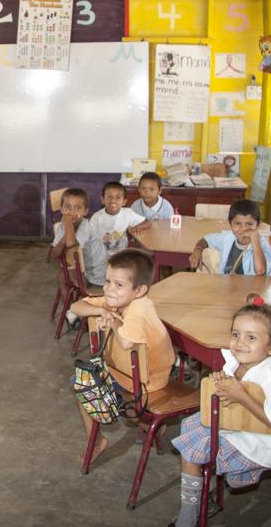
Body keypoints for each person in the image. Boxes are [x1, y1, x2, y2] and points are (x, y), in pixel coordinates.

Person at [169, 294, 271, 527]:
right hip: (235, 428)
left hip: (259, 441)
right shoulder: (236, 362)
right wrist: (222, 380)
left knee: (193, 450)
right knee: (190, 427)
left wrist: (241, 395)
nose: (240, 343)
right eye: (236, 334)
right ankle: (200, 503)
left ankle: (188, 517)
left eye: (251, 337)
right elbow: (231, 396)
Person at [69, 249, 176, 464]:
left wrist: (114, 321)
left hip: (150, 381)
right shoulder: (117, 300)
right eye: (107, 281)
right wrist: (103, 312)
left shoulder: (140, 307)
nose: (109, 289)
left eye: (118, 285)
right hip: (129, 375)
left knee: (83, 383)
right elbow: (76, 306)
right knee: (84, 381)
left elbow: (127, 342)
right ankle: (145, 425)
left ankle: (102, 438)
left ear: (140, 290)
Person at [83, 182, 150, 287]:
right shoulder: (97, 217)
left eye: (118, 197)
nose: (113, 200)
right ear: (102, 199)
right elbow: (87, 241)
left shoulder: (127, 213)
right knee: (107, 279)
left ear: (124, 202)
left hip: (120, 258)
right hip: (101, 260)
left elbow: (147, 223)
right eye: (109, 197)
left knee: (135, 275)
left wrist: (135, 228)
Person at [189, 200, 271, 276]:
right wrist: (198, 249)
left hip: (254, 291)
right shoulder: (227, 237)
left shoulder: (262, 245)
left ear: (258, 224)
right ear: (230, 223)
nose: (243, 229)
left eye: (249, 224)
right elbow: (206, 239)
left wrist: (255, 239)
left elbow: (260, 271)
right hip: (228, 289)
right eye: (237, 223)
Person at [50, 188, 91, 317]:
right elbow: (53, 255)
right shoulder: (62, 227)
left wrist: (67, 222)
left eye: (78, 208)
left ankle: (76, 312)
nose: (72, 212)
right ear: (61, 209)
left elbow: (71, 243)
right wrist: (62, 238)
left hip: (94, 272)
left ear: (86, 211)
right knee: (62, 277)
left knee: (64, 276)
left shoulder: (86, 226)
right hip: (78, 268)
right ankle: (72, 311)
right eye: (67, 207)